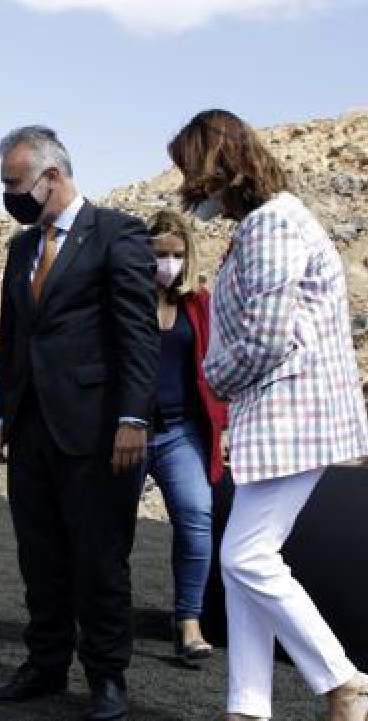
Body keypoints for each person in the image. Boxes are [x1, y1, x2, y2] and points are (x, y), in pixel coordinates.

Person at [169, 109, 368, 721]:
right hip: (281, 418)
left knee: (245, 557)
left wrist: (211, 377)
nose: (191, 188)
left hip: (296, 417)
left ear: (221, 166)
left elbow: (265, 339)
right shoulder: (268, 222)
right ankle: (248, 706)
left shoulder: (273, 225)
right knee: (244, 559)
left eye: (194, 172)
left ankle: (348, 686)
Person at [0, 126, 159, 721]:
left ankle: (107, 675)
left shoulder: (117, 233)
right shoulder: (21, 248)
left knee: (100, 557)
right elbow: (13, 338)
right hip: (30, 431)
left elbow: (137, 332)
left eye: (15, 183)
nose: (9, 195)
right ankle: (45, 664)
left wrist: (133, 416)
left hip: (99, 430)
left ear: (51, 176)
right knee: (41, 555)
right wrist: (0, 411)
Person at [138, 209, 228, 666]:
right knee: (110, 529)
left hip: (180, 432)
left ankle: (188, 621)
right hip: (128, 432)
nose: (168, 264)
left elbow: (216, 365)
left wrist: (224, 424)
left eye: (176, 255)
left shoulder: (199, 304)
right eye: (159, 254)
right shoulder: (125, 300)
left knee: (196, 517)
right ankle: (102, 619)